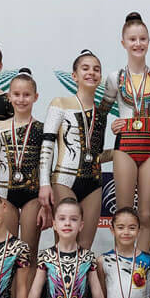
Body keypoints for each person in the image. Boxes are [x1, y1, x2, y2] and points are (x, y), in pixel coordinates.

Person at [103, 12, 150, 249]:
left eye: (142, 39)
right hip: (125, 146)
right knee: (124, 214)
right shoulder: (115, 77)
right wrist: (112, 124)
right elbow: (101, 112)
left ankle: (142, 265)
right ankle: (121, 263)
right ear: (123, 43)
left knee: (146, 215)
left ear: (149, 41)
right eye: (132, 39)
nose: (138, 43)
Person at [39, 50, 111, 250]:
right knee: (64, 245)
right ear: (74, 75)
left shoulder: (101, 114)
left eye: (96, 69)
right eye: (85, 68)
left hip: (94, 182)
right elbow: (47, 145)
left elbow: (96, 155)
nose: (91, 72)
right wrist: (44, 184)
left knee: (85, 247)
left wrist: (121, 152)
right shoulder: (60, 104)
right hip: (64, 180)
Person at [0, 68, 49, 266]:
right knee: (7, 254)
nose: (21, 99)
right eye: (17, 94)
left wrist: (46, 202)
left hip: (32, 194)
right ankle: (9, 288)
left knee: (29, 253)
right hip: (5, 194)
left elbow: (45, 164)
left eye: (26, 95)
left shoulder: (42, 128)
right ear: (9, 96)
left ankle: (28, 288)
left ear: (36, 97)